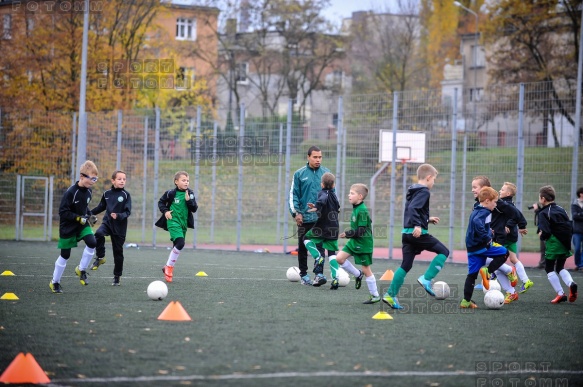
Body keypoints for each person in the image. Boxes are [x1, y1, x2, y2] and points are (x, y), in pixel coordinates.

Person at [381, 164, 449, 310]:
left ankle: (390, 295)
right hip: (417, 233)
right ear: (429, 177)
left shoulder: (413, 189)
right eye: (434, 180)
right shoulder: (424, 191)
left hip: (406, 233)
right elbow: (414, 209)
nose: (433, 183)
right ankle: (426, 279)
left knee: (406, 265)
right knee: (444, 252)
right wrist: (418, 225)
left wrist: (426, 220)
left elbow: (413, 209)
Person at [49, 160, 99, 293]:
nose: (93, 181)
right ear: (82, 177)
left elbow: (84, 207)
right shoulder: (71, 192)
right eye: (91, 178)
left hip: (81, 226)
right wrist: (77, 218)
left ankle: (81, 269)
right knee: (65, 255)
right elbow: (63, 212)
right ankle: (55, 282)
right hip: (68, 227)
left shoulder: (89, 192)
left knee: (92, 242)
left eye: (95, 178)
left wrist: (90, 215)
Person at [460, 187, 510, 308]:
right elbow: (478, 223)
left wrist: (488, 231)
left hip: (472, 248)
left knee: (471, 275)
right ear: (487, 201)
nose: (496, 204)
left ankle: (466, 301)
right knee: (504, 253)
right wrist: (487, 237)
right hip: (482, 246)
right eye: (494, 202)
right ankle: (488, 271)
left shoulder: (476, 209)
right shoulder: (486, 212)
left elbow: (477, 224)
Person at [289, 146, 330, 286]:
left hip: (320, 219)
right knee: (303, 247)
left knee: (319, 247)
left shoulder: (326, 174)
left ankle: (319, 274)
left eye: (320, 157)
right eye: (315, 157)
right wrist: (296, 213)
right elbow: (294, 195)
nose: (318, 160)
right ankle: (304, 275)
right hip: (304, 218)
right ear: (308, 157)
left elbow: (332, 195)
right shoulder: (299, 174)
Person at [332, 184, 380, 304]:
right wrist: (349, 234)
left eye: (352, 193)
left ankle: (375, 295)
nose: (349, 195)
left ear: (360, 196)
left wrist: (347, 233)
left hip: (363, 243)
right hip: (354, 241)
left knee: (366, 269)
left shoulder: (362, 210)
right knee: (339, 258)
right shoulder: (356, 207)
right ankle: (358, 274)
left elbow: (361, 231)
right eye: (349, 193)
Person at [470, 176, 518, 292]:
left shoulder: (495, 202)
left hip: (497, 237)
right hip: (486, 237)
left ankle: (508, 272)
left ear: (484, 189)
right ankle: (511, 291)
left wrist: (521, 224)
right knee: (490, 263)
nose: (472, 190)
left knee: (488, 259)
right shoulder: (478, 205)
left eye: (475, 187)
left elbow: (514, 213)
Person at [89, 170, 132, 286]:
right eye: (119, 179)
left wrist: (118, 215)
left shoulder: (126, 195)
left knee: (118, 252)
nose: (122, 181)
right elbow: (101, 207)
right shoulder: (107, 194)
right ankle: (100, 257)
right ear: (113, 181)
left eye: (124, 179)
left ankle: (117, 276)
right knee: (98, 234)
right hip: (107, 223)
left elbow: (128, 212)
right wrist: (88, 213)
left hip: (120, 227)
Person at [155, 171, 198, 283]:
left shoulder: (190, 193)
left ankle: (166, 267)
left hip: (183, 223)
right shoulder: (170, 193)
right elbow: (161, 202)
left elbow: (194, 209)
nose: (186, 182)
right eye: (183, 180)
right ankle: (169, 267)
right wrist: (165, 211)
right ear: (176, 182)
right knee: (180, 243)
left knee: (177, 245)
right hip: (172, 221)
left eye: (187, 180)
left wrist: (189, 201)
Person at [537, 185, 577, 304]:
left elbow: (546, 231)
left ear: (543, 199)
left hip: (554, 242)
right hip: (565, 241)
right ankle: (571, 284)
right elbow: (570, 225)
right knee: (560, 267)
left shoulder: (543, 212)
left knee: (549, 268)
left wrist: (542, 235)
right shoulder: (561, 209)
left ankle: (560, 293)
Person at [494, 182, 532, 299]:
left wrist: (508, 225)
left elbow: (513, 216)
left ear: (508, 193)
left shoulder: (505, 204)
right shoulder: (510, 203)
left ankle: (503, 276)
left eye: (502, 189)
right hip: (512, 236)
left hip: (506, 236)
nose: (500, 191)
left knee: (496, 259)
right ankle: (526, 281)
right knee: (513, 258)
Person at [304, 172, 340, 288]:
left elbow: (323, 199)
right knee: (332, 253)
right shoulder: (334, 195)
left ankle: (317, 256)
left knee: (306, 238)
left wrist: (316, 206)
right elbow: (337, 206)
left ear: (322, 184)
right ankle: (335, 279)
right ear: (334, 185)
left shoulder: (322, 193)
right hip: (334, 227)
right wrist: (317, 206)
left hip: (322, 226)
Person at [571, 186, 583, 271]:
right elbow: (574, 216)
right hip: (577, 231)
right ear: (580, 194)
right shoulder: (575, 204)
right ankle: (578, 264)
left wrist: (580, 214)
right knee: (577, 248)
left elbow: (578, 215)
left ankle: (582, 265)